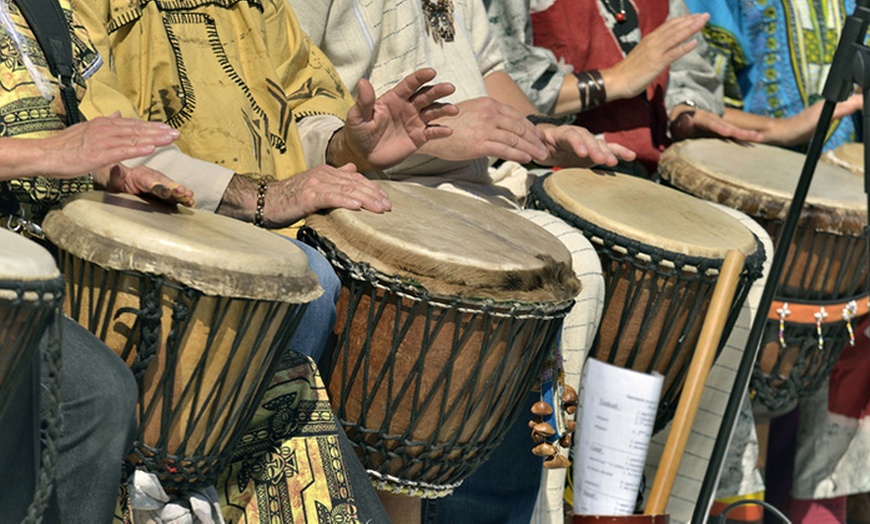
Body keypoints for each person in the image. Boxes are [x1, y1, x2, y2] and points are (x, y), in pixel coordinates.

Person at [69, 0, 468, 520]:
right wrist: (257, 196)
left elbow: (300, 98)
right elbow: (103, 138)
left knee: (421, 284)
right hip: (154, 222)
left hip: (273, 215)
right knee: (312, 280)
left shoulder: (259, 6)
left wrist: (345, 143)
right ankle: (192, 488)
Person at [0, 1, 197, 522]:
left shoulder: (40, 7)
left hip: (45, 251)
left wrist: (111, 170)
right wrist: (42, 154)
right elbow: (47, 148)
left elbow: (62, 123)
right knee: (96, 396)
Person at [682, 2, 866, 523]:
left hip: (844, 224)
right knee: (738, 404)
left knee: (848, 389)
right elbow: (694, 105)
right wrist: (788, 128)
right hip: (756, 208)